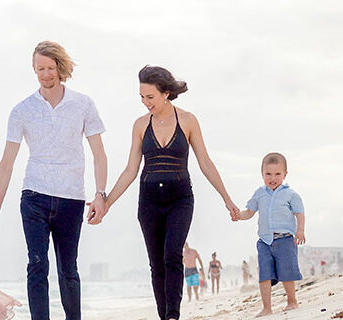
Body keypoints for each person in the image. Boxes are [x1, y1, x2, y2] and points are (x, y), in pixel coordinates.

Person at [94, 65, 240, 320]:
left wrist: (227, 199)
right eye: (141, 96)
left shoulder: (188, 120)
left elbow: (205, 162)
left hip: (180, 198)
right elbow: (130, 170)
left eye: (149, 97)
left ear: (166, 93)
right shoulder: (140, 125)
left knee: (173, 255)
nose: (144, 102)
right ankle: (164, 316)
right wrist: (107, 202)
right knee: (157, 264)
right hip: (149, 200)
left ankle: (173, 316)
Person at [0, 40, 108, 320]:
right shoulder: (22, 110)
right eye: (40, 68)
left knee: (68, 269)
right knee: (37, 265)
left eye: (51, 68)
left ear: (60, 68)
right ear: (33, 69)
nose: (46, 74)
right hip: (34, 196)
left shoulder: (83, 104)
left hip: (72, 197)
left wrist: (101, 194)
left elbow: (99, 154)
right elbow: (5, 165)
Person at [233, 152, 306, 317]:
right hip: (265, 241)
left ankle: (292, 301)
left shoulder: (290, 194)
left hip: (286, 239)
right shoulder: (259, 193)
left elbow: (299, 213)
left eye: (277, 174)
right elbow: (250, 212)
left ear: (285, 174)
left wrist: (300, 230)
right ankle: (267, 307)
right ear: (262, 174)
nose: (273, 178)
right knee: (264, 275)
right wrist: (239, 216)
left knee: (287, 272)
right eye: (268, 174)